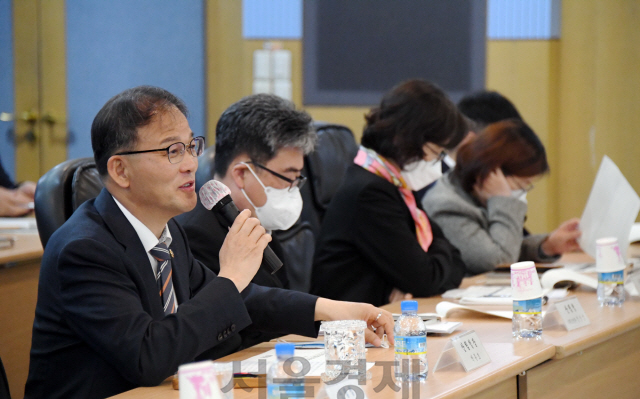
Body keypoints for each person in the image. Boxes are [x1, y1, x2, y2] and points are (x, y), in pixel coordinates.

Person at [20, 86, 394, 399]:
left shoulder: (168, 232)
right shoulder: (84, 249)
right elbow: (149, 357)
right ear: (120, 169)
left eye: (190, 146)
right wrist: (230, 275)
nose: (190, 164)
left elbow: (240, 299)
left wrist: (329, 310)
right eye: (171, 150)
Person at [311, 79, 467, 307]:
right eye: (436, 151)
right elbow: (425, 279)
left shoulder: (394, 184)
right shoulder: (370, 192)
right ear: (406, 138)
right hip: (346, 330)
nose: (437, 162)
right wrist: (432, 263)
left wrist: (429, 264)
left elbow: (456, 262)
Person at [177, 93, 315, 350]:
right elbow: (239, 330)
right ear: (241, 174)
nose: (294, 189)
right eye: (288, 177)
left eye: (298, 178)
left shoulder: (257, 223)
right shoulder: (196, 234)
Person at [422, 119, 581, 275]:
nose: (523, 192)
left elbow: (505, 246)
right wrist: (504, 200)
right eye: (521, 185)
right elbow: (500, 260)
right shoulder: (447, 205)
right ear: (492, 173)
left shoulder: (476, 196)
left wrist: (547, 246)